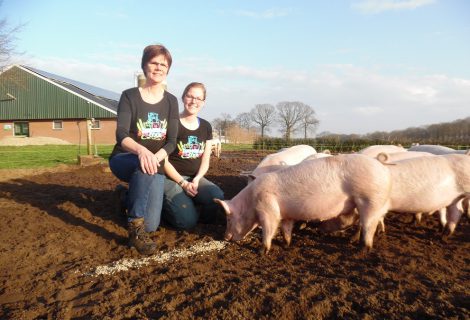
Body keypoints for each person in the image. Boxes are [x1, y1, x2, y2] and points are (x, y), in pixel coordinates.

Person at [109, 44, 179, 255]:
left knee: (152, 225)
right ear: (144, 65)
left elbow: (172, 142)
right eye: (153, 62)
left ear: (168, 69)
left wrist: (154, 157)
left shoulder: (171, 101)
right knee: (143, 165)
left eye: (163, 64)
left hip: (153, 164)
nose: (158, 67)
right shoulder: (129, 96)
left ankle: (126, 197)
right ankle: (134, 230)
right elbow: (121, 134)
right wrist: (142, 151)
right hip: (126, 158)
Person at [162, 82, 224, 229]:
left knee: (217, 196)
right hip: (171, 178)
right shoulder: (172, 124)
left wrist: (196, 179)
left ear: (203, 102)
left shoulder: (206, 126)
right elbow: (163, 160)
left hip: (194, 179)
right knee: (187, 223)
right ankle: (164, 207)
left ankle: (192, 212)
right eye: (190, 96)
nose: (193, 101)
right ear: (183, 98)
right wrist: (182, 183)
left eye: (198, 98)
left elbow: (205, 160)